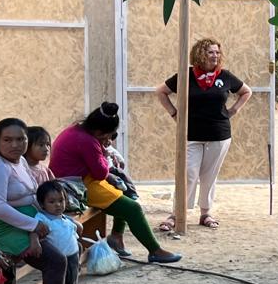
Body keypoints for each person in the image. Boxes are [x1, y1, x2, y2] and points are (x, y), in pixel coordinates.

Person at [0, 118, 87, 284]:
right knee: (55, 260)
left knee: (71, 245)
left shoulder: (20, 161)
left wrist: (57, 220)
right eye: (7, 140)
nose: (15, 145)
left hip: (26, 220)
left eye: (21, 139)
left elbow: (33, 196)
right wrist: (33, 226)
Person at [50, 104, 181, 263]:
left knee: (124, 190)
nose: (108, 140)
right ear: (101, 132)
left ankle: (116, 236)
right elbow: (100, 173)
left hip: (79, 180)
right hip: (72, 187)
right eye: (108, 136)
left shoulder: (78, 130)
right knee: (133, 209)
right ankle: (155, 251)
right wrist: (104, 156)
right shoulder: (87, 141)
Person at [156, 37, 252, 231]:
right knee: (188, 174)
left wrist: (234, 110)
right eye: (210, 52)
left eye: (217, 52)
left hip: (219, 135)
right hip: (191, 134)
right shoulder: (186, 75)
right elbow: (161, 91)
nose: (215, 56)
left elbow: (246, 91)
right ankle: (177, 213)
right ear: (200, 54)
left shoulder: (224, 76)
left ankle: (205, 213)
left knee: (209, 176)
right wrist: (174, 113)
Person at [33, 181, 85, 284]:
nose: (58, 205)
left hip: (72, 256)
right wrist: (35, 242)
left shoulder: (64, 217)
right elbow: (34, 232)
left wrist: (77, 226)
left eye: (61, 200)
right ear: (42, 204)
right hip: (60, 258)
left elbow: (77, 228)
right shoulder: (41, 218)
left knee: (71, 282)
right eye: (52, 202)